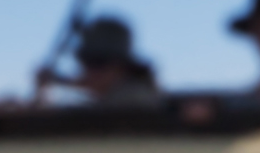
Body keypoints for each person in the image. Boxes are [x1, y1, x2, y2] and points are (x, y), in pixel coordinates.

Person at [33, 17, 163, 108]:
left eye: (98, 62)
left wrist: (56, 82)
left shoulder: (133, 98)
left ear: (120, 65)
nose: (88, 71)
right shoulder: (113, 96)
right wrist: (54, 82)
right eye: (85, 62)